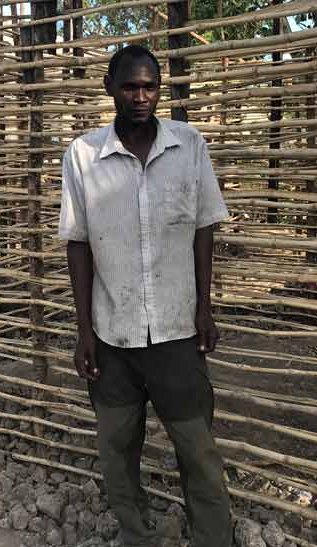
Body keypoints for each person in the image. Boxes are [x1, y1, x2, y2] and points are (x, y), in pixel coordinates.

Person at [57, 44, 232, 546]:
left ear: (160, 89)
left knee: (197, 450)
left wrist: (203, 307)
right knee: (116, 451)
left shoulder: (188, 146)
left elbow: (203, 229)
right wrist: (84, 330)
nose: (141, 96)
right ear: (109, 87)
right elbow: (79, 244)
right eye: (130, 86)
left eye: (149, 86)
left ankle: (213, 539)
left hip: (177, 333)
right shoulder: (84, 156)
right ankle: (137, 535)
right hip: (112, 336)